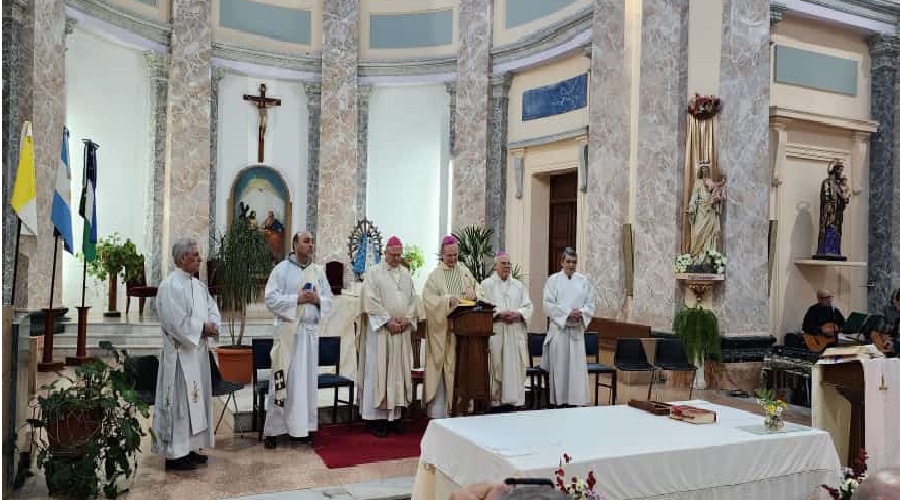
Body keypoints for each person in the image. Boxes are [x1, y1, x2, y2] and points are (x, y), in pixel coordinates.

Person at [152, 237, 220, 471]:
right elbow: (174, 323)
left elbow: (212, 309)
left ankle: (190, 448)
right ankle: (174, 455)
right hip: (180, 356)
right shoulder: (170, 287)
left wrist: (212, 325)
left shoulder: (198, 286)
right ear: (183, 258)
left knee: (196, 404)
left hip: (198, 354)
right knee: (180, 405)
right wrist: (201, 329)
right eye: (196, 255)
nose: (200, 259)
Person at [262, 231, 332, 449]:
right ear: (294, 244)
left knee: (306, 385)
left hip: (309, 336)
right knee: (282, 382)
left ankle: (303, 429)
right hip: (289, 335)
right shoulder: (281, 270)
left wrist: (318, 299)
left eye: (312, 241)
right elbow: (270, 299)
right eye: (306, 241)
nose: (310, 245)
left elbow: (330, 299)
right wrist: (298, 299)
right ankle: (274, 430)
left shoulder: (318, 272)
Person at [359, 236, 417, 437]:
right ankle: (377, 420)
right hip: (382, 333)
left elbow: (413, 300)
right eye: (394, 255)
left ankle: (395, 418)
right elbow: (370, 300)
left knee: (398, 373)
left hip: (401, 332)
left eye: (400, 255)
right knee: (380, 371)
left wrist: (407, 319)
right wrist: (387, 320)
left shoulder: (406, 274)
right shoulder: (374, 273)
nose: (397, 259)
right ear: (385, 253)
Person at [422, 234, 481, 418]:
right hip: (444, 332)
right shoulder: (435, 276)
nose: (453, 259)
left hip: (463, 333)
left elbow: (478, 290)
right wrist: (448, 301)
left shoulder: (464, 271)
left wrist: (474, 294)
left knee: (461, 369)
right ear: (442, 254)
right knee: (443, 368)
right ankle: (441, 412)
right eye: (449, 256)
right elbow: (428, 300)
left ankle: (461, 408)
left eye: (456, 255)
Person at [541, 247, 596, 407]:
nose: (571, 265)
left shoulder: (583, 281)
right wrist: (567, 313)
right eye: (568, 262)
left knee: (576, 370)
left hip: (577, 331)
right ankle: (559, 401)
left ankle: (576, 401)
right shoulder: (553, 281)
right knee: (560, 369)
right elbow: (548, 304)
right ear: (562, 262)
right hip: (560, 331)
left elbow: (591, 303)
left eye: (574, 262)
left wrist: (582, 312)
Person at [480, 252, 533, 410]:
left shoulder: (518, 285)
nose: (507, 267)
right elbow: (482, 306)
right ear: (495, 265)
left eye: (509, 264)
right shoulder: (486, 285)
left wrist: (518, 314)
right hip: (498, 331)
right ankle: (496, 402)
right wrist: (498, 314)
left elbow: (528, 306)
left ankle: (515, 401)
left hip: (515, 331)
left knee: (515, 366)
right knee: (497, 365)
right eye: (503, 264)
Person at [686, 161, 726, 259]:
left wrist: (716, 199)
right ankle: (696, 255)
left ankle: (706, 258)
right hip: (700, 210)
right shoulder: (697, 183)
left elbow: (717, 191)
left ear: (708, 171)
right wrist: (691, 208)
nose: (705, 172)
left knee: (709, 235)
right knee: (697, 233)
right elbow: (694, 197)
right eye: (703, 170)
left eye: (707, 170)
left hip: (709, 211)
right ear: (700, 171)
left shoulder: (711, 182)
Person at [816, 161, 851, 257]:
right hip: (830, 212)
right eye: (839, 170)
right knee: (828, 229)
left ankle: (835, 250)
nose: (841, 172)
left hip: (838, 213)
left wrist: (845, 200)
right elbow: (826, 197)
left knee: (837, 231)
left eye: (841, 170)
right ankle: (826, 250)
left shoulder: (839, 185)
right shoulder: (827, 182)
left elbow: (842, 197)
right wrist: (829, 206)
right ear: (834, 170)